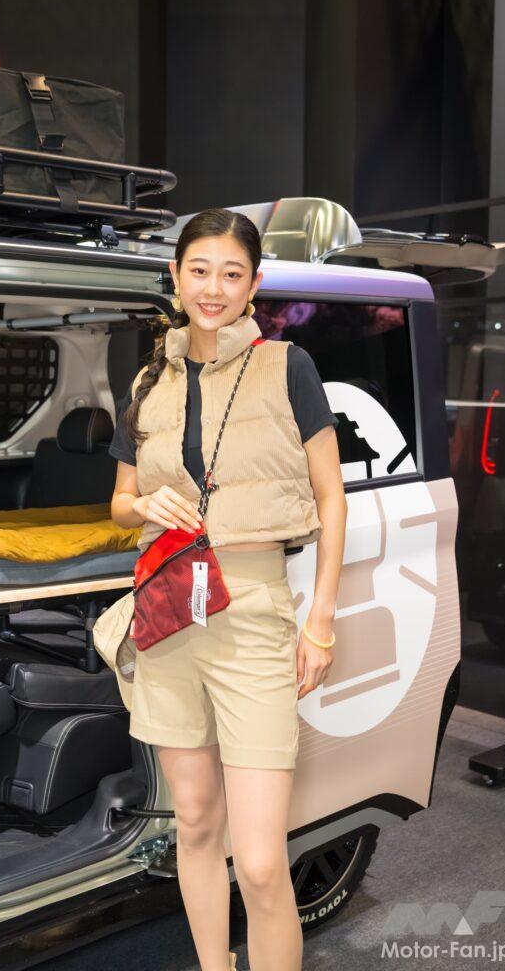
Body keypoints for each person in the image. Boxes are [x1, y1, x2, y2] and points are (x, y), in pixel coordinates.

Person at [108, 207, 347, 971]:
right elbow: (117, 505)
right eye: (199, 270)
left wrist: (320, 621)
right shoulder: (147, 379)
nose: (213, 288)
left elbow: (331, 495)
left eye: (231, 274)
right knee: (195, 823)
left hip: (251, 611)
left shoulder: (286, 366)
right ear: (175, 276)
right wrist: (144, 504)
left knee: (263, 861)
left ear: (254, 284)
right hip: (168, 612)